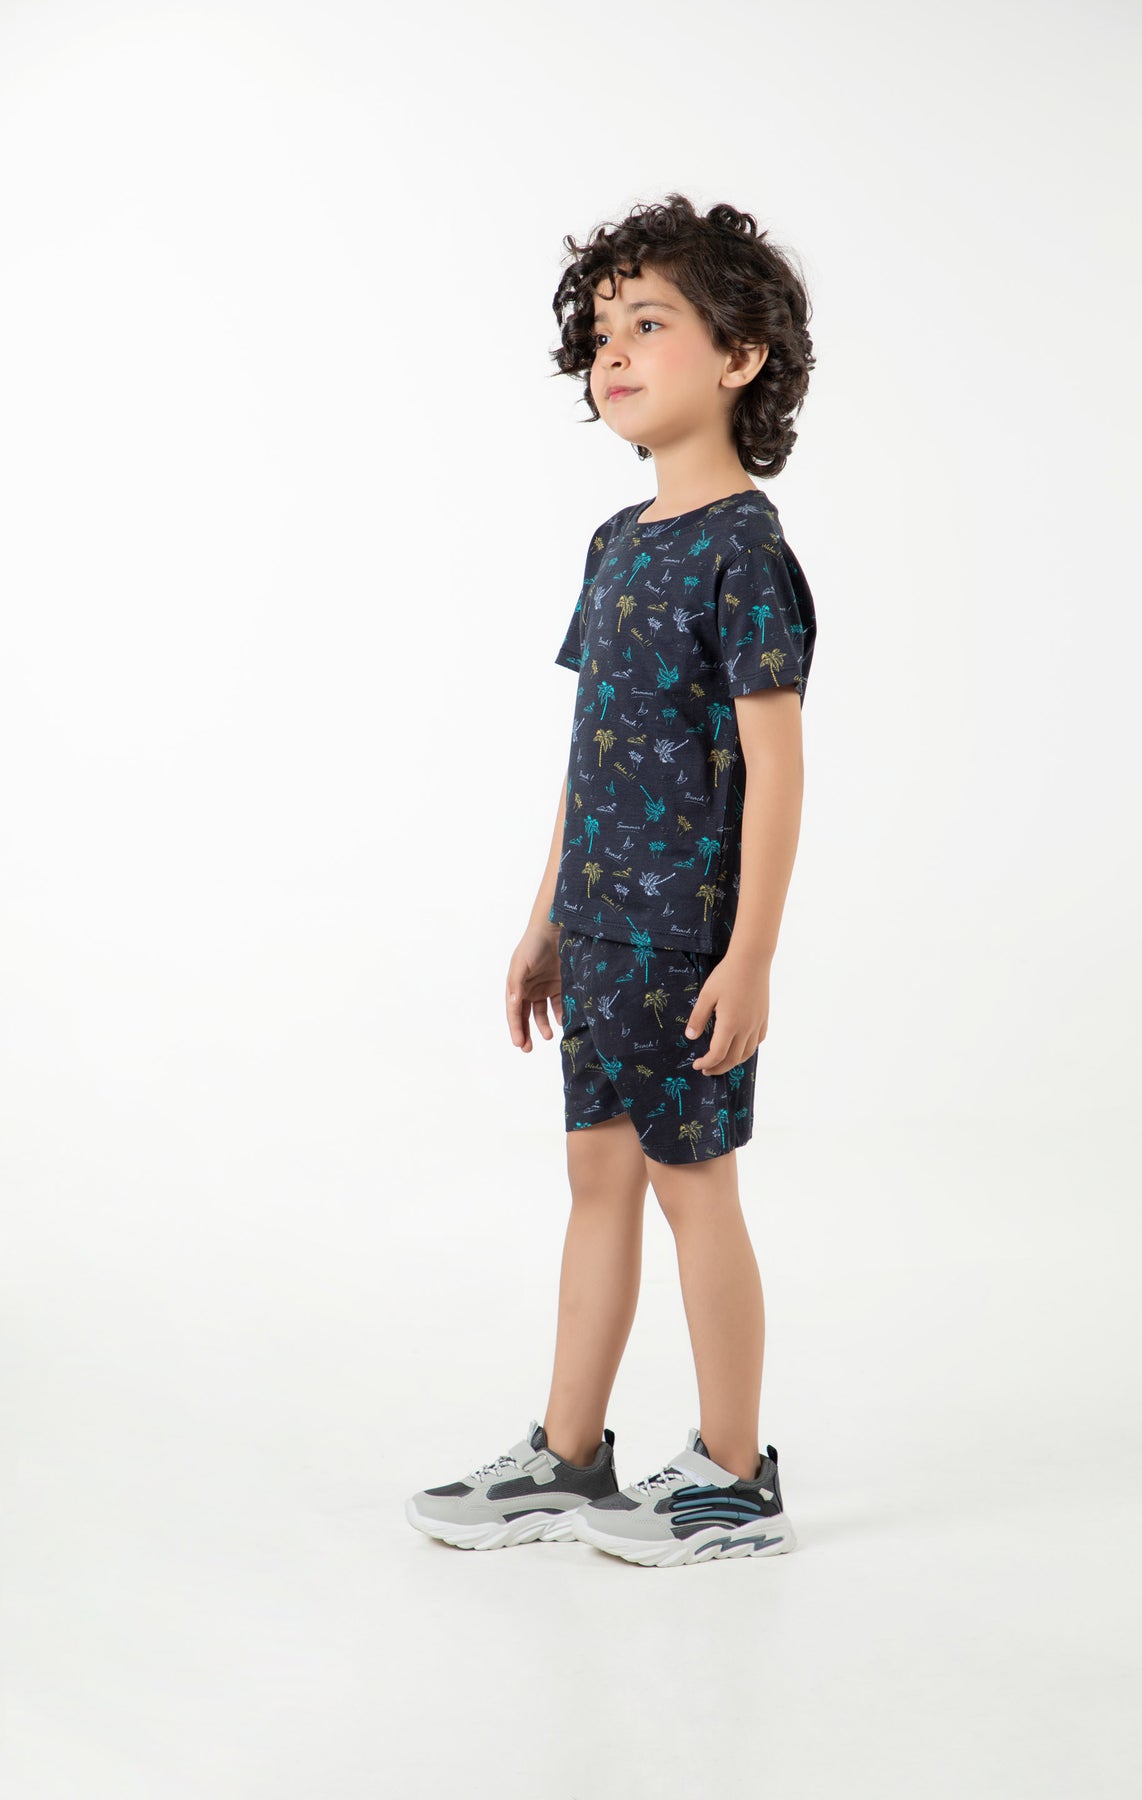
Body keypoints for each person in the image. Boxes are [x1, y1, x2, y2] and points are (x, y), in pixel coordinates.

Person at [406, 194, 818, 1568]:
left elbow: (777, 770)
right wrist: (544, 923)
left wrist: (751, 955)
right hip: (596, 931)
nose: (615, 353)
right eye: (599, 333)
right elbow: (593, 754)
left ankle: (737, 1473)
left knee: (696, 1188)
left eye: (649, 323)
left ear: (741, 356)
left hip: (687, 944)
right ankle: (569, 1455)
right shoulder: (618, 541)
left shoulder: (746, 550)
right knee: (597, 1181)